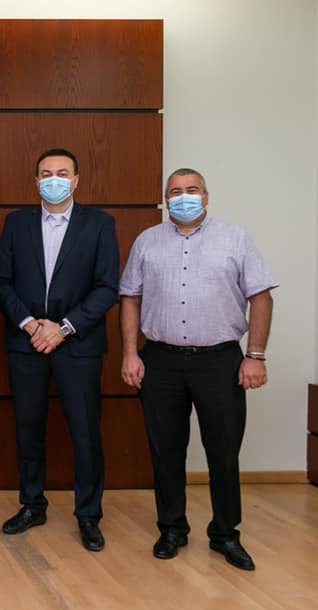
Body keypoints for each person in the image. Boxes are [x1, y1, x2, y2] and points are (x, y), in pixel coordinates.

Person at [120, 168, 277, 571]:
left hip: (219, 361)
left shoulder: (235, 238)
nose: (183, 196)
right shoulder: (147, 242)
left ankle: (225, 534)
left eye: (191, 190)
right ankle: (172, 528)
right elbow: (130, 298)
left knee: (223, 451)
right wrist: (130, 354)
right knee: (166, 450)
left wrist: (255, 355)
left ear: (206, 196)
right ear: (165, 199)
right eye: (175, 191)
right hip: (161, 360)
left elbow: (261, 297)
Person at [0, 148, 120, 552]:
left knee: (85, 432)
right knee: (28, 428)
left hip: (77, 344)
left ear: (76, 180)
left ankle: (89, 515)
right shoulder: (16, 224)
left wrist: (62, 328)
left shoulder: (100, 224)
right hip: (26, 342)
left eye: (63, 173)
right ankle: (32, 505)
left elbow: (107, 288)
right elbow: (0, 282)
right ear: (36, 181)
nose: (54, 179)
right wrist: (31, 324)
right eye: (46, 173)